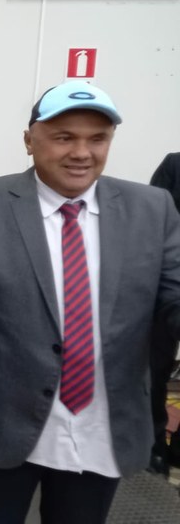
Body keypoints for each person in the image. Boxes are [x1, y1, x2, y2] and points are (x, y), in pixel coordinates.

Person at [0, 80, 180, 524]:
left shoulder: (152, 209)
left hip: (102, 426)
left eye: (97, 139)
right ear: (29, 140)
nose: (81, 152)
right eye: (64, 137)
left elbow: (174, 294)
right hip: (1, 421)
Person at [149, 152, 180, 474]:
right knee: (155, 371)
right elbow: (153, 229)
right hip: (168, 289)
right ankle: (154, 448)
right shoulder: (176, 165)